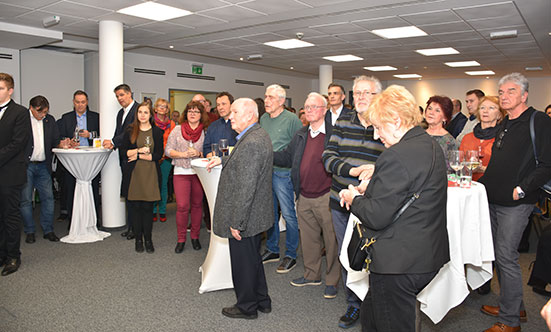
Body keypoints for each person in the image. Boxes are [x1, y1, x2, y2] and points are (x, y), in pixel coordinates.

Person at [339, 84, 450, 332]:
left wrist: (352, 197)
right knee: (374, 316)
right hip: (425, 253)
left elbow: (376, 216)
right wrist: (375, 188)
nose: (377, 136)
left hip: (399, 263)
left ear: (397, 120)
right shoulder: (430, 144)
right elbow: (411, 189)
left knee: (391, 322)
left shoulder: (396, 155)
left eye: (378, 127)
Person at [479, 73, 551, 332]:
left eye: (510, 91)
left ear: (524, 95)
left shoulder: (538, 120)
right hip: (493, 199)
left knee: (507, 257)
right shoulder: (506, 122)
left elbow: (547, 164)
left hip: (516, 203)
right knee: (499, 256)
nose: (504, 95)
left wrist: (522, 190)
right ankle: (514, 306)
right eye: (501, 91)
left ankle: (509, 322)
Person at [322, 75, 385, 329]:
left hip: (373, 206)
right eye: (356, 93)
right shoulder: (343, 120)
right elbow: (328, 156)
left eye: (366, 93)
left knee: (375, 256)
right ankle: (354, 304)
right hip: (340, 202)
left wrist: (374, 170)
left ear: (377, 97)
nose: (359, 97)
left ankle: (376, 303)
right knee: (348, 255)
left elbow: (394, 162)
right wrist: (354, 171)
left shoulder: (385, 123)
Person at [206, 98, 273, 320]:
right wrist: (223, 160)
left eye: (235, 112)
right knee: (253, 259)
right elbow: (241, 162)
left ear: (250, 116)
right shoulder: (256, 136)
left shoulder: (252, 142)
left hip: (247, 216)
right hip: (256, 213)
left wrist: (238, 222)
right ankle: (262, 300)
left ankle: (247, 307)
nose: (230, 116)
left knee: (243, 263)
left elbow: (246, 186)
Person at [273, 92, 340, 299]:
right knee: (309, 239)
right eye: (307, 107)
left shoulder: (333, 134)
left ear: (324, 110)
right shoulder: (301, 134)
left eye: (314, 107)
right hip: (303, 195)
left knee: (331, 241)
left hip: (326, 195)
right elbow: (285, 157)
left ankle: (332, 280)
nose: (309, 111)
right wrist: (266, 151)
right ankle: (312, 275)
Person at [260, 84, 303, 274]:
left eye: (270, 97)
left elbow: (299, 147)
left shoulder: (292, 120)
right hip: (265, 172)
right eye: (266, 97)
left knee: (288, 215)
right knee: (269, 213)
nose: (266, 101)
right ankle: (273, 249)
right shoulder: (263, 118)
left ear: (281, 101)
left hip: (283, 173)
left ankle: (291, 254)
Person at [21, 95, 67, 244]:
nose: (43, 115)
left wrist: (63, 144)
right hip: (26, 165)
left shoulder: (50, 120)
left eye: (45, 112)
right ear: (32, 108)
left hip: (43, 165)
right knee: (26, 200)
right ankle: (29, 231)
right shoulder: (22, 119)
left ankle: (48, 230)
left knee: (48, 198)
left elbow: (55, 140)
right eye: (40, 112)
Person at [119, 102, 162, 253]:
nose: (142, 115)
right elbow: (123, 152)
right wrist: (138, 150)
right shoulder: (130, 130)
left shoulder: (157, 132)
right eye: (140, 112)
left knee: (148, 209)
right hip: (134, 174)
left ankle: (148, 240)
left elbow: (158, 155)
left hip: (150, 173)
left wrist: (139, 156)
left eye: (146, 112)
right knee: (136, 208)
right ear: (136, 114)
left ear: (151, 115)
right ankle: (138, 240)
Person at [165, 100, 207, 252]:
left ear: (201, 115)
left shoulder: (205, 131)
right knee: (182, 206)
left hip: (199, 173)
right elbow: (168, 150)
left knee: (197, 205)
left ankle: (195, 236)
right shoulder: (177, 129)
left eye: (196, 111)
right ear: (186, 113)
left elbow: (209, 151)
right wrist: (183, 154)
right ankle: (181, 238)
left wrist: (199, 153)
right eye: (190, 111)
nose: (193, 114)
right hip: (181, 172)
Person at [0, 73, 31, 276]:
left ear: (10, 90)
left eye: (1, 88)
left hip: (10, 172)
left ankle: (13, 256)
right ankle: (2, 253)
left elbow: (17, 144)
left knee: (10, 216)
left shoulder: (20, 112)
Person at [57, 90, 101, 227]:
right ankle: (73, 221)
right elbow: (60, 137)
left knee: (93, 188)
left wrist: (90, 135)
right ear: (73, 102)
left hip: (91, 159)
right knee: (71, 188)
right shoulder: (66, 118)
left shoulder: (96, 117)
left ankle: (94, 220)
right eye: (77, 102)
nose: (80, 105)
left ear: (87, 102)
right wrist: (68, 142)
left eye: (83, 102)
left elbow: (102, 136)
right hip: (73, 159)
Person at [103, 84, 138, 239]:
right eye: (117, 96)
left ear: (130, 93)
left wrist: (113, 142)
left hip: (135, 158)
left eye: (122, 95)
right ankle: (132, 226)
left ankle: (135, 228)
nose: (120, 98)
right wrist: (112, 142)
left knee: (135, 194)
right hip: (124, 157)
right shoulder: (120, 113)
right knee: (129, 194)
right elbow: (119, 132)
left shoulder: (138, 110)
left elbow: (129, 132)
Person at [459, 96, 506, 181]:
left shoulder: (503, 138)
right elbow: (459, 164)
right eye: (482, 108)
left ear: (499, 115)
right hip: (470, 187)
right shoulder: (467, 138)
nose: (485, 111)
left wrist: (484, 169)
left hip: (493, 186)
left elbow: (506, 167)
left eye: (491, 108)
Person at [152, 98, 176, 223]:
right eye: (160, 106)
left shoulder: (171, 124)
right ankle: (152, 211)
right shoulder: (151, 122)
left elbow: (172, 142)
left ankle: (162, 211)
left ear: (167, 110)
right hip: (153, 158)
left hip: (166, 158)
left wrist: (164, 154)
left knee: (163, 185)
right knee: (152, 184)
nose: (162, 108)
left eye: (165, 107)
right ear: (155, 109)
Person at [202, 92, 237, 158]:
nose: (220, 107)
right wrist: (208, 154)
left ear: (232, 105)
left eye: (224, 104)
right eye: (218, 105)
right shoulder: (212, 126)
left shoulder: (239, 125)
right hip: (215, 166)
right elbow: (206, 148)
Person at [424, 95, 458, 161]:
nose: (431, 113)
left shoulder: (450, 142)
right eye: (429, 108)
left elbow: (452, 168)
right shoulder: (418, 135)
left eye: (437, 110)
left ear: (445, 118)